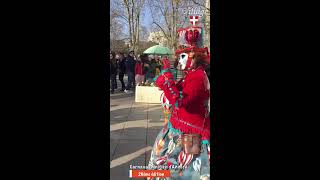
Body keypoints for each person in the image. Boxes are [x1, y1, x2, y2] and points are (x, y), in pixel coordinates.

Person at [147, 51, 211, 179]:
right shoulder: (192, 73)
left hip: (190, 135)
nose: (179, 61)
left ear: (194, 58)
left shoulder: (198, 76)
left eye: (183, 57)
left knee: (183, 172)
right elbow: (177, 93)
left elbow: (179, 102)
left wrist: (167, 80)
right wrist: (168, 80)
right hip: (177, 127)